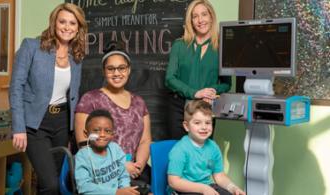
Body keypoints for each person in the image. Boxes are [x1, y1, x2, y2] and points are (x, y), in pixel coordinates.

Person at [9, 3, 87, 194]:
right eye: (62, 22)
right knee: (49, 183)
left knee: (55, 182)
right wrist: (18, 127)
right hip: (35, 123)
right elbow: (16, 87)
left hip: (61, 123)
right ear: (54, 22)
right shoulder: (31, 46)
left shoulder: (76, 56)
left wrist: (73, 130)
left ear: (78, 28)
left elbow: (73, 94)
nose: (67, 27)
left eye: (72, 23)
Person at [75, 41, 152, 191]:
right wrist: (121, 167)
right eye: (111, 69)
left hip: (134, 170)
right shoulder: (90, 99)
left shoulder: (139, 103)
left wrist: (139, 166)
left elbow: (145, 140)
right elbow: (84, 143)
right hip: (101, 172)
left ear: (129, 70)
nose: (116, 73)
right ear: (104, 71)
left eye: (121, 68)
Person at [165, 0, 231, 139]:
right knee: (179, 152)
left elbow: (226, 83)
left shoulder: (221, 48)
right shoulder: (179, 45)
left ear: (211, 17)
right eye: (195, 16)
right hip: (178, 107)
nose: (200, 20)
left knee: (202, 154)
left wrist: (210, 91)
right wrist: (194, 93)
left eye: (204, 14)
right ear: (191, 21)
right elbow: (169, 79)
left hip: (205, 107)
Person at [167, 100, 245, 195]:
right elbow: (174, 182)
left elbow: (219, 175)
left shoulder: (213, 147)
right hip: (183, 190)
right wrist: (203, 189)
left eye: (207, 123)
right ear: (186, 126)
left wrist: (232, 187)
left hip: (207, 186)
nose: (204, 127)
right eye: (197, 123)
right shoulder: (180, 150)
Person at [75, 109, 140, 195]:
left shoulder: (115, 149)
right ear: (86, 134)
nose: (102, 134)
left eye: (107, 131)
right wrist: (115, 192)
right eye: (96, 130)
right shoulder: (82, 156)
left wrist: (125, 190)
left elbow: (123, 175)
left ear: (112, 134)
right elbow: (84, 187)